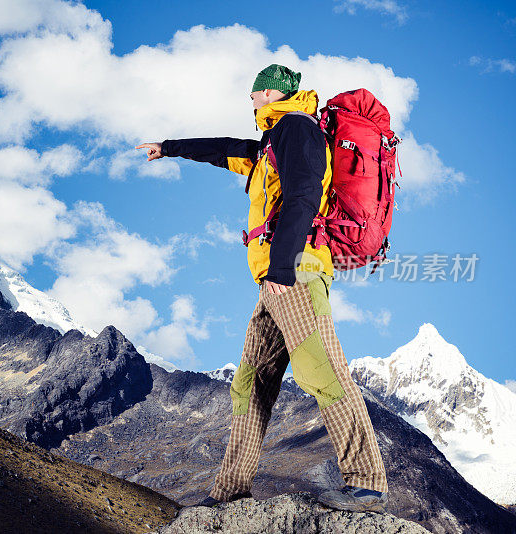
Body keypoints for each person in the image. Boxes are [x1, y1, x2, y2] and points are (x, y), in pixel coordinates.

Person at [136, 64, 389, 513]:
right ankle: (230, 491)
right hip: (275, 278)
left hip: (297, 270)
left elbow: (305, 196)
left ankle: (366, 481)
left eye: (254, 94)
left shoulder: (299, 130)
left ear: (270, 93)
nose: (249, 101)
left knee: (323, 372)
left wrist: (283, 267)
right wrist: (170, 147)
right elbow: (227, 150)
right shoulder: (275, 140)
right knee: (250, 384)